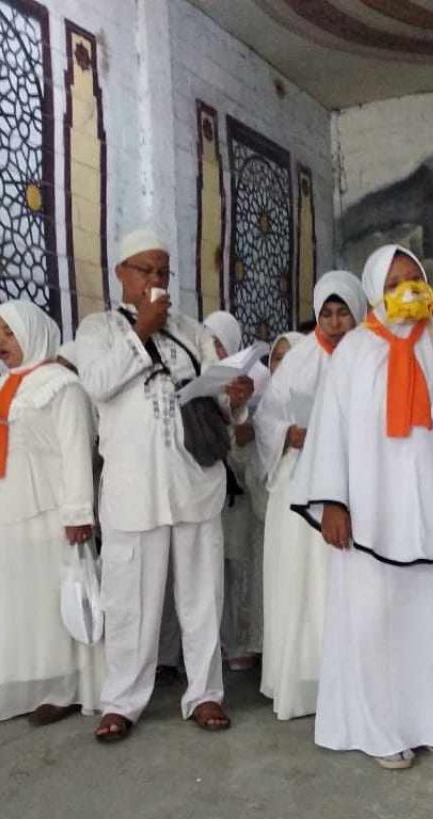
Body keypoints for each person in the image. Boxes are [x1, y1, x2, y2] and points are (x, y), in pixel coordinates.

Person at [73, 228, 254, 742]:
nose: (155, 280)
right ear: (121, 274)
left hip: (193, 482)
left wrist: (236, 396)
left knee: (202, 597)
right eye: (145, 270)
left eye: (162, 272)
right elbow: (97, 383)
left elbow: (220, 403)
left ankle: (205, 693)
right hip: (133, 490)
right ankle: (122, 702)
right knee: (129, 601)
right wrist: (141, 332)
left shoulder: (192, 331)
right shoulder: (97, 329)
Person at [289, 246, 433, 768]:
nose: (406, 290)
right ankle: (382, 730)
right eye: (393, 283)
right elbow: (330, 430)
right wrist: (333, 501)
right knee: (374, 623)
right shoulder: (355, 351)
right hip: (371, 513)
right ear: (373, 292)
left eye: (414, 278)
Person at [0, 300, 104, 723]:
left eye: (9, 332)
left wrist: (78, 514)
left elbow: (76, 449)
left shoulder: (62, 386)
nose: (1, 341)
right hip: (5, 504)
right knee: (17, 596)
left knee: (52, 596)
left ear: (32, 332)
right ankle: (25, 682)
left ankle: (63, 686)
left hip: (50, 506)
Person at [255, 273, 364, 719]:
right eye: (327, 314)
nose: (336, 323)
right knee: (303, 582)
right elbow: (266, 418)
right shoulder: (299, 359)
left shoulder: (369, 355)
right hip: (300, 482)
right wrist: (290, 433)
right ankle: (306, 681)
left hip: (355, 481)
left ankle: (351, 682)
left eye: (344, 313)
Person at [204, 309, 266, 671]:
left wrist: (242, 427)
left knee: (240, 566)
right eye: (207, 341)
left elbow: (258, 433)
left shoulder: (252, 380)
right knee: (213, 572)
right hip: (208, 493)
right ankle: (219, 643)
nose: (212, 348)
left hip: (240, 491)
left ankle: (242, 641)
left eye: (217, 342)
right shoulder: (198, 380)